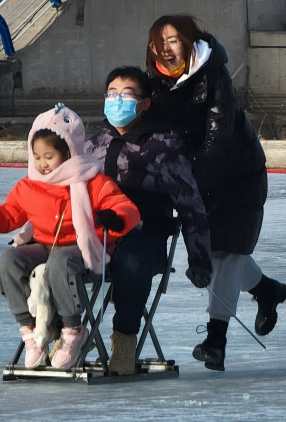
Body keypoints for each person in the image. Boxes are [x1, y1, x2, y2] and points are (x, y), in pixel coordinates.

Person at [0, 104, 140, 370]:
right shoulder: (28, 186)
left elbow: (125, 207)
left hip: (84, 249)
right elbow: (7, 217)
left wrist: (116, 218)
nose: (42, 164)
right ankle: (31, 332)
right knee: (8, 260)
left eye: (49, 156)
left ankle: (73, 332)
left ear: (69, 152)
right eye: (37, 156)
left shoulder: (92, 181)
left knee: (60, 261)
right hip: (44, 245)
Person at [146, 15, 286, 371]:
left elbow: (218, 139)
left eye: (174, 40)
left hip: (238, 174)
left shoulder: (213, 76)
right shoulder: (156, 84)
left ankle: (216, 340)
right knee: (226, 252)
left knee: (225, 253)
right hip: (198, 176)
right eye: (159, 42)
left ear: (191, 42)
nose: (166, 49)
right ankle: (266, 290)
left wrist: (184, 185)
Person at [84, 65, 214, 373]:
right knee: (55, 260)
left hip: (145, 239)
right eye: (112, 94)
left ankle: (124, 339)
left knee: (131, 261)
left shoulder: (162, 147)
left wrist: (200, 259)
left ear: (145, 103)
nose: (118, 100)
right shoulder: (91, 145)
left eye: (127, 95)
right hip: (98, 237)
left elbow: (191, 206)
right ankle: (70, 331)